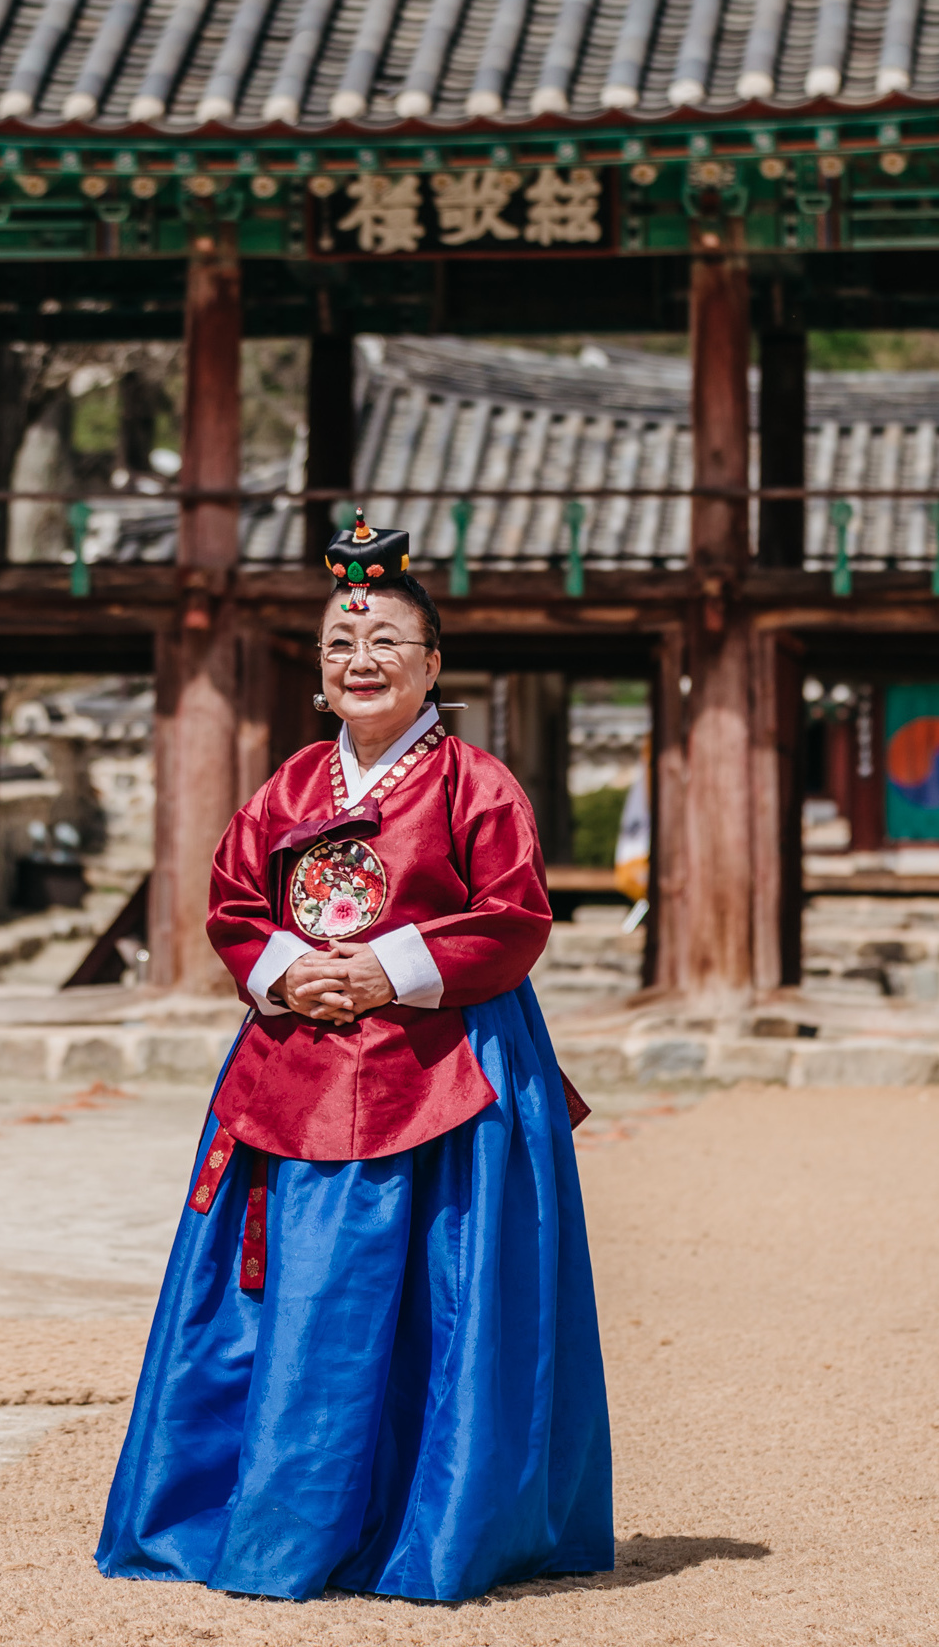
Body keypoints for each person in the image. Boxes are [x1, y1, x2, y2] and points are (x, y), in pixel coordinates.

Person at [96, 516, 614, 1603]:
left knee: (445, 1297)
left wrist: (390, 970)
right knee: (306, 1301)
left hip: (448, 1064)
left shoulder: (478, 786)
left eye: (385, 642)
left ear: (432, 665)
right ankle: (279, 1518)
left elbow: (513, 918)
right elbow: (234, 907)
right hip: (301, 1057)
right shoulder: (287, 788)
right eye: (340, 643)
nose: (361, 659)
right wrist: (291, 973)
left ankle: (433, 1527)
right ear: (320, 670)